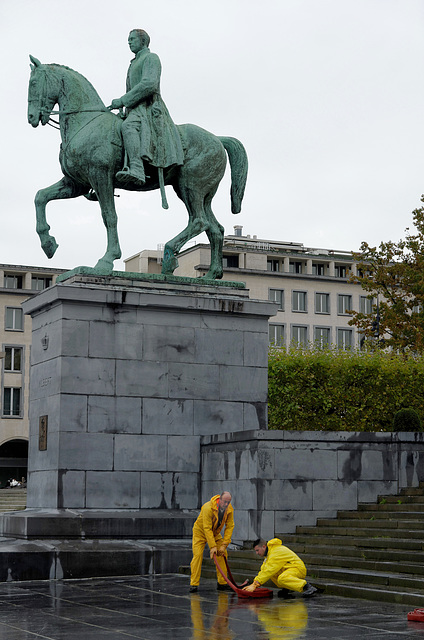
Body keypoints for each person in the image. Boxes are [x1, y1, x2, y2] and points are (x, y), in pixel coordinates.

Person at [110, 29, 184, 187]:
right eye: (128, 39)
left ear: (143, 41)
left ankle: (137, 168)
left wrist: (123, 100)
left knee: (129, 126)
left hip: (148, 107)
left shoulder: (151, 58)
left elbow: (149, 84)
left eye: (132, 39)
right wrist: (124, 107)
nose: (129, 42)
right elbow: (132, 90)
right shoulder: (133, 63)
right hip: (135, 108)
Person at [189, 491, 234, 592]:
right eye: (225, 502)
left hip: (214, 533)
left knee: (223, 554)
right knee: (197, 555)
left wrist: (224, 545)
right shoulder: (207, 507)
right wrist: (213, 547)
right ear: (220, 500)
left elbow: (230, 526)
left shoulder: (229, 510)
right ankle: (194, 584)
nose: (226, 504)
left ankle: (222, 583)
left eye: (228, 502)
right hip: (200, 532)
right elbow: (206, 528)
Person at [243, 538, 317, 598]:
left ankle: (307, 587)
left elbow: (269, 570)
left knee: (281, 578)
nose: (257, 553)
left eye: (257, 550)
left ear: (263, 547)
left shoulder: (275, 552)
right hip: (290, 568)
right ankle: (287, 588)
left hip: (297, 569)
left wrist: (255, 585)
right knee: (273, 575)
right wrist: (253, 583)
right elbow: (264, 570)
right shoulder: (269, 553)